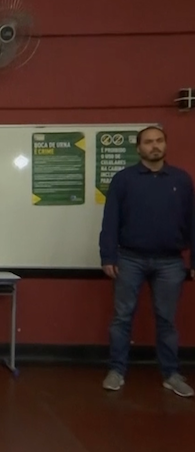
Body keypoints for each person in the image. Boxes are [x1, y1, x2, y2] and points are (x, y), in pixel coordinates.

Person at [99, 125, 194, 397]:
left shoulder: (181, 180)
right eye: (149, 142)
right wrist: (108, 255)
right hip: (130, 258)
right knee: (122, 317)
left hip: (171, 262)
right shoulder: (124, 179)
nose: (155, 146)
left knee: (167, 320)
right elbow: (111, 220)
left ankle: (171, 374)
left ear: (165, 145)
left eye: (159, 141)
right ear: (138, 148)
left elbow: (192, 222)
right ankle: (116, 371)